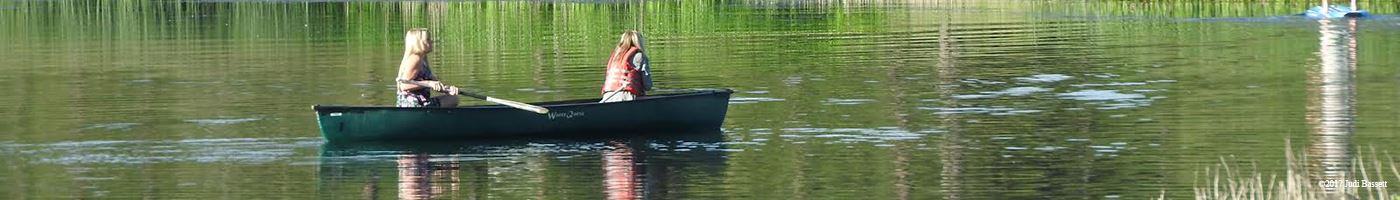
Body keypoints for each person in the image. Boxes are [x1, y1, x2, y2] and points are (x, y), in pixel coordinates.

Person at [396, 28, 460, 108]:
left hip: (421, 102)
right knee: (453, 99)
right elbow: (404, 86)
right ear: (419, 43)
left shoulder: (423, 58)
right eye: (428, 39)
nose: (431, 41)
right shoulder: (415, 58)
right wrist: (428, 83)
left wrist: (448, 89)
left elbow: (434, 82)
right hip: (414, 105)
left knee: (453, 97)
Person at [600, 30, 653, 103]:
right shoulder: (640, 56)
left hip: (607, 97)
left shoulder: (615, 57)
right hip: (626, 98)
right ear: (639, 42)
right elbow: (648, 85)